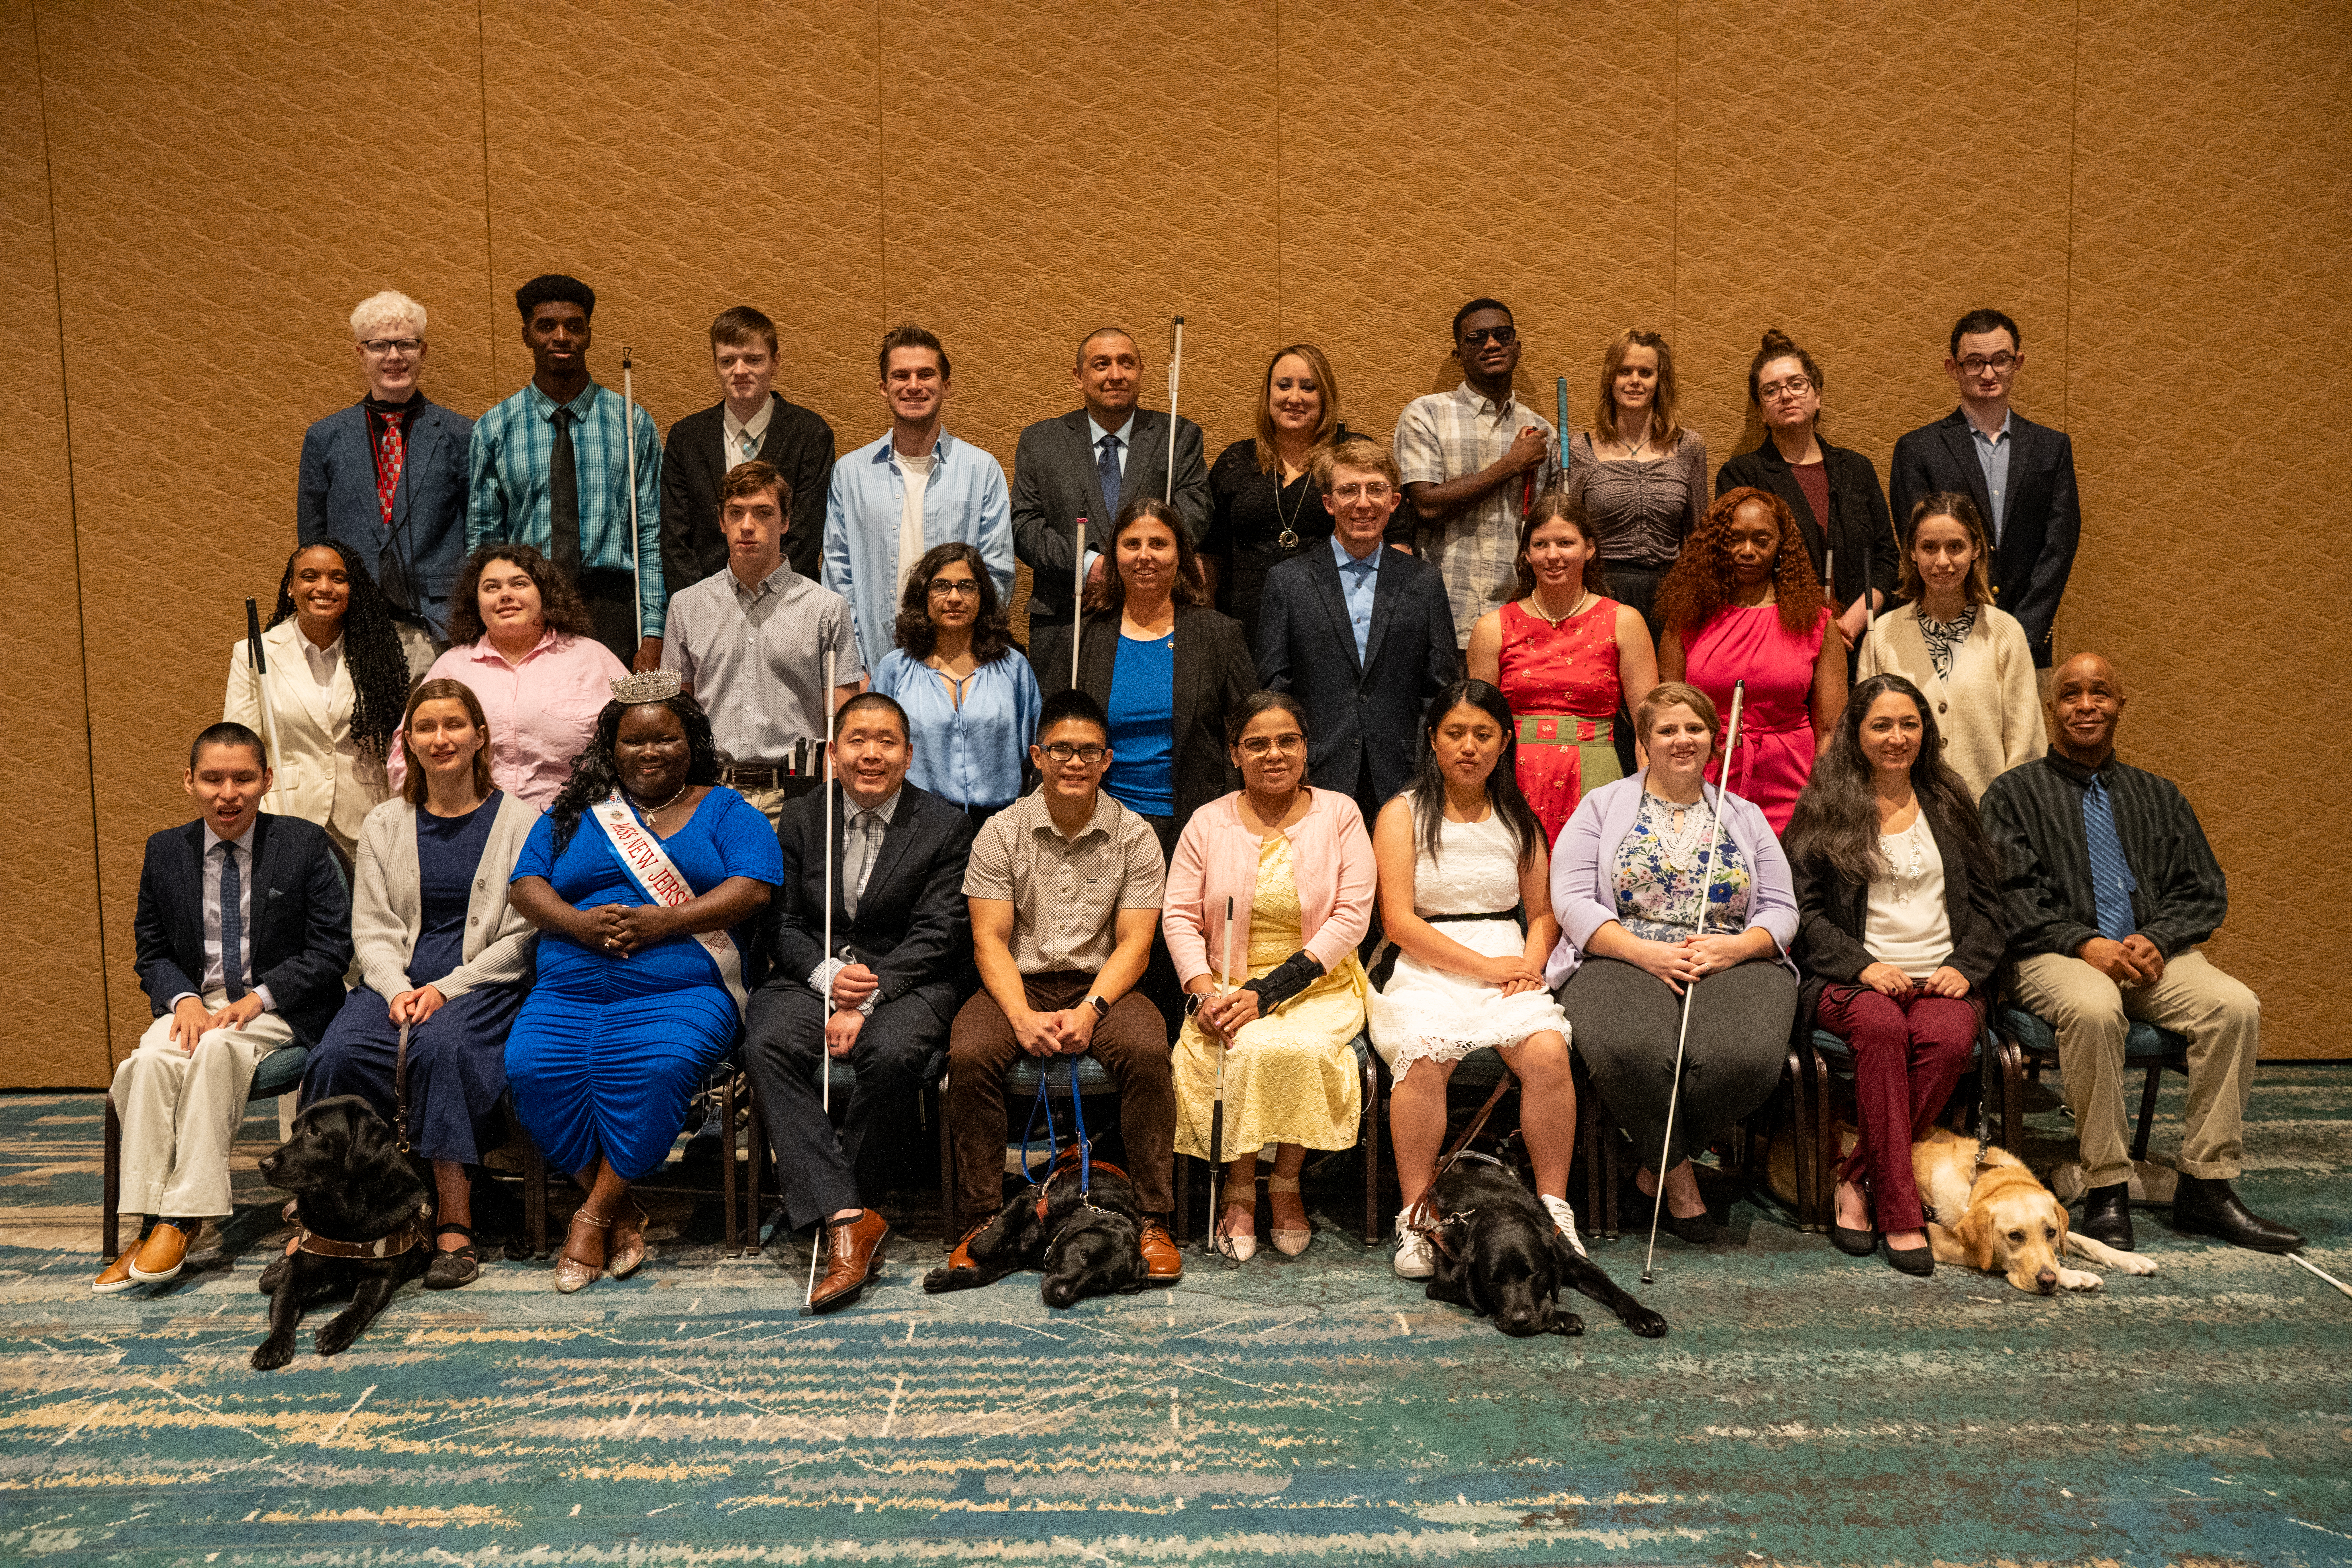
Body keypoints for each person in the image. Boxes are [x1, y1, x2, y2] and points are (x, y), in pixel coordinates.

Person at [1980, 653, 2300, 1254]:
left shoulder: (2160, 796)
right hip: (2052, 952)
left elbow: (2202, 889)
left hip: (2148, 954)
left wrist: (2155, 937)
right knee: (2096, 1008)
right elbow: (2008, 898)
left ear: (2120, 706)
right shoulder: (2012, 795)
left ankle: (2206, 1183)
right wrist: (2084, 941)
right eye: (2070, 694)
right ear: (2050, 709)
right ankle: (2105, 1185)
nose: (2084, 705)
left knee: (2234, 1006)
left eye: (2098, 693)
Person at [503, 671, 782, 1292]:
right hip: (570, 986)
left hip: (683, 991)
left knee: (653, 1070)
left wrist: (669, 921)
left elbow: (755, 887)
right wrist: (575, 922)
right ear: (612, 747)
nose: (648, 752)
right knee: (532, 1067)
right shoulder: (574, 811)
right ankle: (620, 1210)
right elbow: (525, 884)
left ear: (692, 743)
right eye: (633, 741)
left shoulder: (727, 809)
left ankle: (592, 1214)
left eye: (664, 739)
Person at [94, 724, 353, 1293]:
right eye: (213, 778)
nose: (227, 792)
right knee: (146, 1061)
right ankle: (148, 1221)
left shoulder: (303, 843)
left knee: (214, 1050)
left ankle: (187, 1217)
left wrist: (257, 998)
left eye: (242, 778)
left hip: (279, 1007)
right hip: (198, 1004)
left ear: (266, 780)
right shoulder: (166, 850)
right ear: (190, 781)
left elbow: (332, 949)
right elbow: (153, 950)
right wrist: (183, 998)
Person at [300, 679, 540, 1289]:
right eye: (426, 727)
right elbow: (372, 930)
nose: (441, 738)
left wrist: (447, 988)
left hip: (481, 984)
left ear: (480, 735)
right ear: (408, 742)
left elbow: (522, 935)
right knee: (337, 1053)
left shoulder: (522, 821)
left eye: (455, 724)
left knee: (441, 1049)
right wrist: (395, 987)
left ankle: (453, 1222)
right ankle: (326, 1222)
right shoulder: (385, 822)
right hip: (394, 983)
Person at [740, 692, 975, 1312]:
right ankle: (849, 1213)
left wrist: (863, 997)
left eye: (887, 741)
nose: (871, 754)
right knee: (765, 1044)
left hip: (906, 978)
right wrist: (826, 977)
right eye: (857, 740)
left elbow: (940, 931)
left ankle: (843, 1204)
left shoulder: (945, 824)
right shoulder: (799, 817)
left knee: (893, 1053)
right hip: (811, 975)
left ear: (909, 753)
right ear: (833, 754)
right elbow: (781, 922)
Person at [1546, 683, 1797, 1248]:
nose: (1681, 740)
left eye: (1693, 729)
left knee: (1747, 1061)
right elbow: (1570, 900)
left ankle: (1650, 1167)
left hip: (1731, 957)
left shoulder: (1746, 816)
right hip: (1621, 954)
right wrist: (1643, 952)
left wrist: (1734, 948)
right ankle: (1679, 1177)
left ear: (1714, 737)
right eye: (1666, 730)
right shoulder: (1601, 805)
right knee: (1631, 1051)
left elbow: (1782, 909)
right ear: (1643, 742)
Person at [947, 690, 1183, 1283]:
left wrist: (1092, 1007)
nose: (1074, 762)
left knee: (1150, 1053)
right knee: (969, 1055)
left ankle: (1152, 1218)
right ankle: (980, 1219)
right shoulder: (1000, 833)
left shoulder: (1135, 835)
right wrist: (1022, 1015)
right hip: (1018, 982)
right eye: (1061, 750)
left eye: (1088, 752)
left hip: (1103, 984)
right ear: (1037, 756)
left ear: (1107, 760)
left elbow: (1135, 943)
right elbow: (988, 942)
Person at [1785, 675, 2006, 1275]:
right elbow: (1801, 913)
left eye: (1907, 724)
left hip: (1940, 976)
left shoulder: (1950, 798)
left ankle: (1857, 1180)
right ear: (1856, 734)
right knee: (1882, 1029)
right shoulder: (1822, 806)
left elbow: (1990, 906)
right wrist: (1862, 964)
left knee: (1950, 1037)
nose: (1895, 737)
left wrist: (1964, 966)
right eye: (1880, 725)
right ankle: (1902, 1213)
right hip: (1851, 978)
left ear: (1924, 732)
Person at [1368, 680, 1580, 1279]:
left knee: (1545, 1052)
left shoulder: (1519, 817)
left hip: (1506, 956)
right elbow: (1399, 920)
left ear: (1504, 742)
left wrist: (1528, 966)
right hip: (1424, 962)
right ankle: (1415, 1218)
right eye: (1455, 733)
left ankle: (1553, 1210)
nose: (1468, 746)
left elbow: (1540, 915)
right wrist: (1486, 967)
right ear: (1433, 740)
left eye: (1482, 735)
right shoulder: (1402, 813)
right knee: (1423, 1055)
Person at [1165, 693, 1373, 1259]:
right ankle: (1238, 1190)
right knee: (1240, 1045)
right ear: (1234, 753)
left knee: (1295, 1047)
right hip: (1225, 983)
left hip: (1318, 983)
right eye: (1256, 743)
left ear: (1306, 749)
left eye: (1287, 741)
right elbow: (1179, 915)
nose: (1273, 754)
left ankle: (1284, 1184)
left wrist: (1267, 993)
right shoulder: (1208, 822)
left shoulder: (1340, 814)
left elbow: (1351, 917)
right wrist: (1202, 992)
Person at [1258, 437, 1460, 830]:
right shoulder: (1287, 581)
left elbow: (1441, 689)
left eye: (1376, 490)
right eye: (1349, 490)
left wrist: (1426, 762)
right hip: (1314, 773)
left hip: (1405, 777)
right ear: (1329, 502)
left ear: (1395, 502)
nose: (1363, 503)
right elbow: (1274, 689)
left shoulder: (1425, 582)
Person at [466, 274, 665, 671]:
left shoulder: (631, 422)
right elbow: (483, 542)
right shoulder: (494, 428)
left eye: (574, 326)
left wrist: (654, 630)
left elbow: (651, 534)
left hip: (612, 605)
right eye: (546, 327)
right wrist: (482, 624)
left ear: (589, 335)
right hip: (528, 603)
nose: (561, 337)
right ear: (526, 336)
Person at [1033, 498, 1257, 845]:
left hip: (1197, 829)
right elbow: (1050, 742)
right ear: (1115, 555)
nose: (1144, 556)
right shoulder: (1080, 638)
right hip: (1100, 829)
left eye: (1159, 544)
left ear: (1180, 555)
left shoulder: (1220, 636)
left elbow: (1250, 736)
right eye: (1132, 544)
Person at [660, 460, 863, 828]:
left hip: (797, 796)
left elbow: (844, 723)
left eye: (763, 513)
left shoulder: (827, 609)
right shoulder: (686, 606)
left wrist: (832, 801)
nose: (748, 526)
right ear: (722, 522)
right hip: (712, 793)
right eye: (736, 513)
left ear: (785, 522)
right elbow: (678, 715)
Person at [1889, 309, 2082, 676]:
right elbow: (1919, 544)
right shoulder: (1918, 450)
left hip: (2028, 640)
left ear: (2018, 363)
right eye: (1975, 362)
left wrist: (2026, 629)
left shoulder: (2051, 447)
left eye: (2001, 361)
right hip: (1942, 638)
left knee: (2024, 735)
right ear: (1953, 367)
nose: (1989, 373)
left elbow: (2060, 543)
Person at [1468, 491, 1657, 849]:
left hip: (1596, 775)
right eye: (1541, 544)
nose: (1552, 555)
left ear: (1590, 549)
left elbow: (1648, 727)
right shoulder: (1492, 627)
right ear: (1526, 554)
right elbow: (1478, 727)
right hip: (1512, 776)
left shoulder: (1625, 622)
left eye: (1566, 543)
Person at [225, 541, 434, 860]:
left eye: (338, 578)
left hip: (367, 818)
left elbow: (400, 742)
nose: (324, 587)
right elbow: (239, 746)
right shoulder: (254, 652)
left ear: (353, 589)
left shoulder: (380, 652)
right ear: (291, 587)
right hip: (285, 817)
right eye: (310, 577)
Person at [823, 324, 1014, 672]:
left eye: (926, 374)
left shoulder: (981, 470)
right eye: (901, 375)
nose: (913, 385)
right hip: (875, 669)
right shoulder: (850, 473)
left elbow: (997, 574)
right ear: (884, 388)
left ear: (947, 386)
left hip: (962, 669)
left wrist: (970, 659)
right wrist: (855, 669)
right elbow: (839, 580)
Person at [1657, 488, 1845, 833]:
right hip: (1704, 781)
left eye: (1762, 540)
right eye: (1735, 540)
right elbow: (1668, 718)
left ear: (1781, 546)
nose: (1748, 551)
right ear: (1717, 544)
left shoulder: (1817, 622)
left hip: (1795, 787)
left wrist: (1819, 798)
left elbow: (1832, 729)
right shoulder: (1687, 618)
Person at [1011, 325, 1211, 644]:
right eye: (1101, 364)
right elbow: (1025, 527)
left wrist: (1137, 562)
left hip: (1158, 616)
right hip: (1067, 617)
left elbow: (1195, 512)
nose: (1115, 375)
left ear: (1141, 372)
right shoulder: (1040, 442)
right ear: (1079, 376)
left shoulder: (1178, 436)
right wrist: (1089, 565)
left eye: (1127, 363)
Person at [297, 290, 473, 643]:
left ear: (423, 351)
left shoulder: (463, 434)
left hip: (441, 623)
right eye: (379, 345)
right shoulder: (324, 437)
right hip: (352, 621)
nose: (394, 356)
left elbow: (479, 534)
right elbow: (312, 541)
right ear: (361, 354)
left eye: (406, 344)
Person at [396, 545, 628, 809]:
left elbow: (636, 741)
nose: (505, 595)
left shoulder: (592, 659)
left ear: (545, 594)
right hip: (475, 830)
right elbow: (405, 751)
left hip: (574, 828)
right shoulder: (452, 668)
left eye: (519, 584)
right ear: (477, 601)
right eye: (491, 588)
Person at [1713, 328, 1894, 651]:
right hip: (1780, 639)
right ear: (1760, 411)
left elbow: (1885, 558)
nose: (1786, 395)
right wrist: (1816, 631)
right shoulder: (1741, 474)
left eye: (1797, 385)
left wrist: (1849, 626)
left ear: (1818, 395)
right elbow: (1741, 567)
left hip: (1861, 639)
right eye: (1771, 391)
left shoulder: (1857, 469)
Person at [1856, 494, 2045, 800]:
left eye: (1955, 547)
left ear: (1976, 550)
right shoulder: (1882, 636)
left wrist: (2008, 819)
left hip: (1987, 819)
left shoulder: (2005, 633)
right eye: (1929, 547)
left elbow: (2027, 745)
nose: (1942, 561)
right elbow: (1866, 739)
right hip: (1904, 818)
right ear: (1913, 553)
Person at [1395, 298, 1556, 646]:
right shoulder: (1425, 415)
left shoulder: (1542, 432)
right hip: (1441, 616)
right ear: (1459, 356)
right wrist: (1511, 465)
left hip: (1518, 617)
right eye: (1477, 338)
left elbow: (1544, 528)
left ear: (1517, 346)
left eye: (1502, 334)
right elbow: (1427, 507)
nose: (1492, 344)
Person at [660, 305, 836, 590]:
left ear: (775, 363)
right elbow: (674, 539)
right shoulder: (685, 438)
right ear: (716, 364)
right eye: (728, 361)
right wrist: (704, 603)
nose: (740, 371)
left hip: (787, 605)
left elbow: (805, 537)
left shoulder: (811, 434)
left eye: (753, 360)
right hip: (704, 608)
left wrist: (767, 598)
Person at [869, 541, 1041, 826]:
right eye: (940, 586)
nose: (954, 598)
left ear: (983, 595)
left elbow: (1034, 756)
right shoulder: (894, 669)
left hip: (1000, 825)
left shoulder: (1014, 668)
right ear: (923, 594)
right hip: (914, 824)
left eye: (967, 586)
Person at [1204, 344, 1356, 645]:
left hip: (1332, 620)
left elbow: (1393, 539)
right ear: (1268, 395)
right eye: (1284, 386)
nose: (1294, 398)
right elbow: (1210, 554)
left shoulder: (1350, 456)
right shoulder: (1236, 460)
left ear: (1325, 397)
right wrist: (1204, 624)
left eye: (1309, 388)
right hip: (1243, 622)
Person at [1563, 328, 1708, 640]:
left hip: (1669, 597)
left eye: (1646, 372)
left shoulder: (1689, 447)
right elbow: (1568, 533)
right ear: (1610, 379)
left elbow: (1698, 534)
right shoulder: (1580, 449)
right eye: (1625, 371)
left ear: (1661, 381)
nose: (1635, 381)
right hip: (1600, 593)